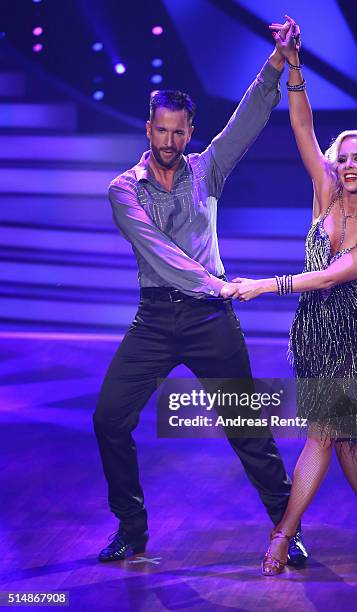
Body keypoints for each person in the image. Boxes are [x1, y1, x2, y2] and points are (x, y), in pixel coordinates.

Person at [93, 37, 308, 564]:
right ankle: (131, 528)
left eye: (178, 131)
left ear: (189, 132)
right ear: (149, 129)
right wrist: (219, 284)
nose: (168, 140)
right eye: (160, 129)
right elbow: (162, 255)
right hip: (157, 317)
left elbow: (248, 120)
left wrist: (276, 62)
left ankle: (286, 531)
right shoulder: (125, 189)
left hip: (210, 321)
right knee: (108, 419)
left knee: (247, 429)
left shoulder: (206, 168)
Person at [232, 15, 357, 576]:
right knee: (346, 436)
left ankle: (283, 533)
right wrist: (295, 64)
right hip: (311, 332)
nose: (349, 165)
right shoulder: (325, 191)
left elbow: (333, 277)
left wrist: (264, 284)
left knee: (322, 434)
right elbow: (303, 130)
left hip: (353, 337)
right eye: (345, 157)